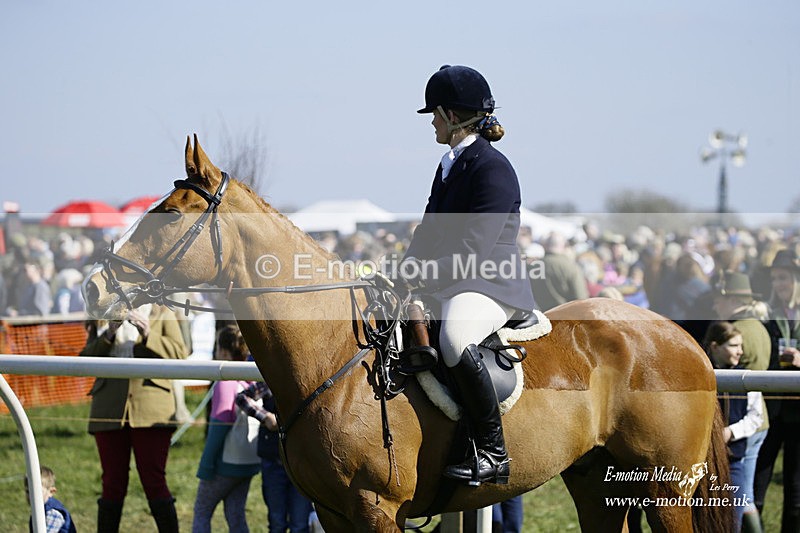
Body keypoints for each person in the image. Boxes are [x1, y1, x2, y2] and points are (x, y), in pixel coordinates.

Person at [398, 65, 536, 485]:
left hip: (489, 283)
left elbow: (474, 251)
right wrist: (402, 270)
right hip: (455, 278)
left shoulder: (492, 168)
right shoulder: (449, 164)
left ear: (453, 116)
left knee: (456, 338)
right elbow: (428, 231)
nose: (433, 123)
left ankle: (493, 452)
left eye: (435, 116)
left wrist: (423, 276)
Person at [80, 303, 187, 533]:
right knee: (111, 484)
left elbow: (180, 353)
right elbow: (85, 361)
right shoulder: (102, 314)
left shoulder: (163, 312)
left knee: (154, 482)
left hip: (152, 410)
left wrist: (149, 332)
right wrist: (108, 334)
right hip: (108, 410)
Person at [711, 270, 771, 532]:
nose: (716, 305)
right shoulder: (758, 327)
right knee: (743, 493)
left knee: (739, 494)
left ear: (733, 299)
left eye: (720, 299)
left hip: (742, 421)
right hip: (754, 419)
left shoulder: (739, 331)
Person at [193, 325, 260, 533]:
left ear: (222, 351)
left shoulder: (226, 382)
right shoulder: (251, 379)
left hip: (225, 464)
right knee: (235, 514)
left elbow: (219, 427)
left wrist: (206, 465)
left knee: (202, 511)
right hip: (249, 461)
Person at [754, 248, 800, 531]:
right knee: (758, 479)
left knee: (796, 487)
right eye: (774, 278)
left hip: (798, 410)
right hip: (770, 407)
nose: (778, 284)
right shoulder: (767, 314)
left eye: (783, 277)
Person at [704, 321, 764, 530]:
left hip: (734, 461)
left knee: (732, 522)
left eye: (740, 345)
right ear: (714, 346)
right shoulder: (701, 375)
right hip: (702, 464)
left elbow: (755, 417)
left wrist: (732, 431)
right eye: (733, 346)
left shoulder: (747, 377)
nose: (740, 351)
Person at [236, 378, 314, 533]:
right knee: (277, 521)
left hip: (302, 463)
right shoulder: (271, 381)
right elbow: (242, 397)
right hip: (274, 460)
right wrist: (265, 416)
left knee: (299, 523)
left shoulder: (308, 379)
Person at [529, 232, 589, 311]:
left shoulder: (533, 267)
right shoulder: (571, 266)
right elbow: (580, 297)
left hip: (541, 316)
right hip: (564, 316)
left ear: (545, 246)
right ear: (563, 246)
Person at [26, 465, 77, 533]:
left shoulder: (53, 513)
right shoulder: (39, 510)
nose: (31, 496)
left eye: (36, 492)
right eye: (28, 491)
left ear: (51, 492)